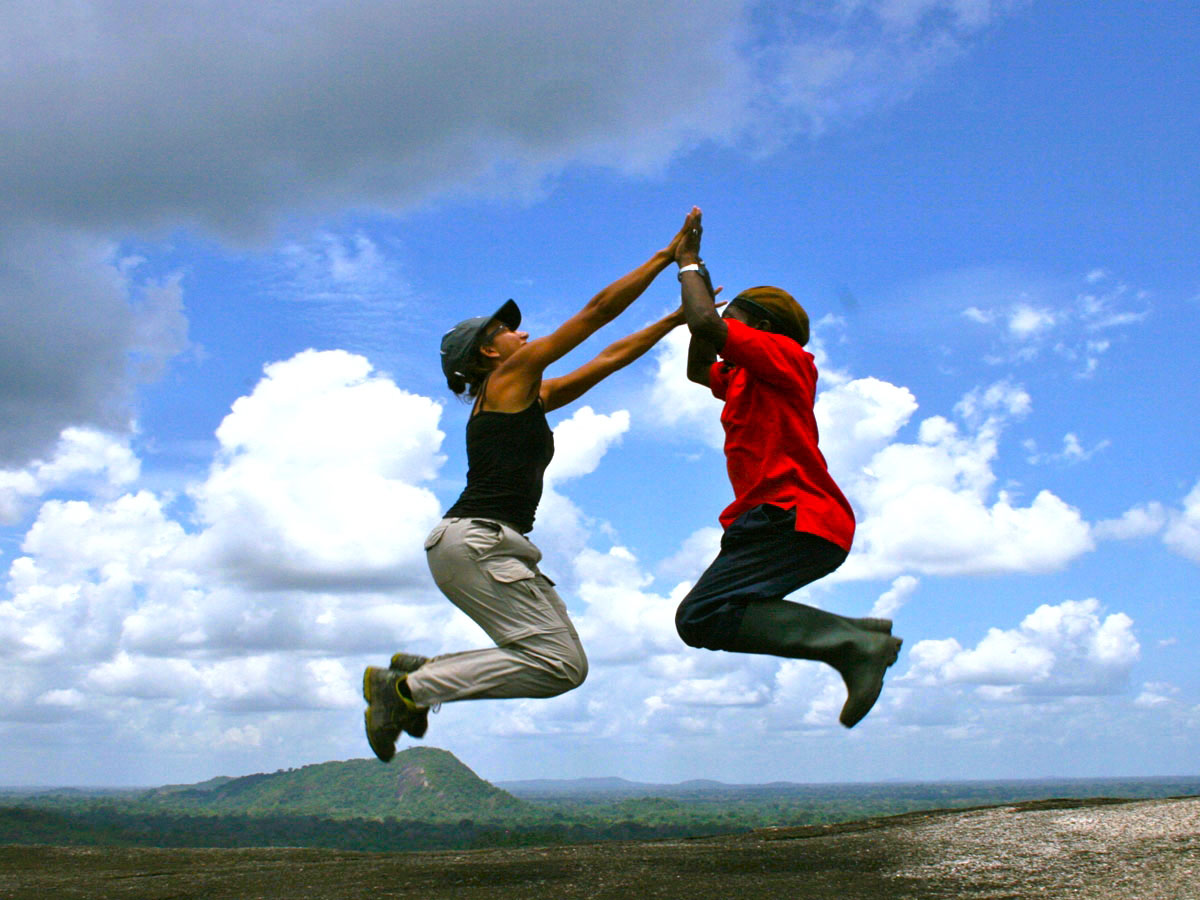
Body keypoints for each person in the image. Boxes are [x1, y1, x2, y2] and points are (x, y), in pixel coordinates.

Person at [362, 211, 702, 761]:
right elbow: (594, 316)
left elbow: (609, 358)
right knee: (560, 666)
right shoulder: (505, 379)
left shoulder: (523, 395)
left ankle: (418, 678)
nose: (523, 333)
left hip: (481, 544)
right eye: (509, 331)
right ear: (490, 353)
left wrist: (673, 321)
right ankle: (406, 690)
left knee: (563, 662)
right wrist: (667, 257)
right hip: (477, 543)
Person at [672, 207, 902, 728]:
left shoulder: (785, 358)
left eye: (734, 318)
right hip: (772, 519)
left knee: (701, 615)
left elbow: (705, 322)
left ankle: (854, 642)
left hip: (793, 515)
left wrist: (688, 269)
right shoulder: (741, 377)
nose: (721, 325)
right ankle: (857, 638)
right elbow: (695, 365)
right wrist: (703, 297)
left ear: (763, 328)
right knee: (716, 612)